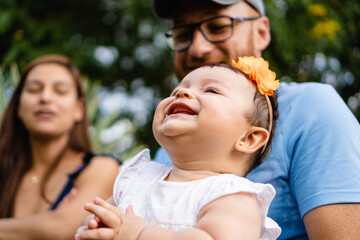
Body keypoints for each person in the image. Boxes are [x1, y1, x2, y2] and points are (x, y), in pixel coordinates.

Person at [151, 0, 360, 239]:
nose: (197, 48)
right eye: (182, 34)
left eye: (218, 27)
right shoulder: (168, 147)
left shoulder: (311, 108)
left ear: (261, 32)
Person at [75, 57, 281, 240]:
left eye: (211, 90)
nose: (183, 92)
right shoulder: (138, 179)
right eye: (176, 91)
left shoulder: (232, 196)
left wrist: (140, 235)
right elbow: (102, 220)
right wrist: (97, 226)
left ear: (249, 138)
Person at [0, 54, 120, 239]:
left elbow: (61, 229)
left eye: (60, 91)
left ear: (78, 109)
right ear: (18, 107)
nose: (45, 98)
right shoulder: (5, 172)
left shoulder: (101, 167)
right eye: (34, 89)